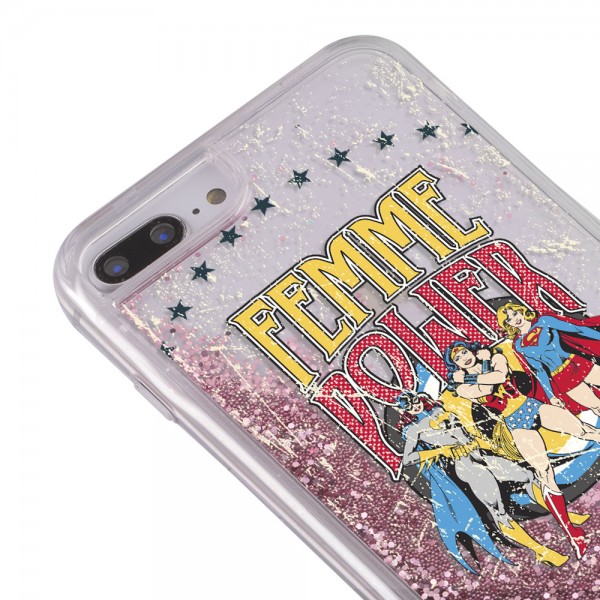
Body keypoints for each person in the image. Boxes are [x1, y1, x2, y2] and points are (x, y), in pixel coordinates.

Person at [444, 340, 599, 559]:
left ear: (472, 350)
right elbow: (486, 389)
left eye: (463, 352)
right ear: (455, 366)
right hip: (514, 422)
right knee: (544, 472)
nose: (463, 358)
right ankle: (572, 533)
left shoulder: (495, 358)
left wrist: (477, 370)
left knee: (585, 431)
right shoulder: (461, 388)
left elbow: (498, 377)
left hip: (530, 405)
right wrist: (475, 374)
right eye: (457, 359)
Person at [396, 390, 570, 570]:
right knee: (498, 511)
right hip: (466, 466)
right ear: (404, 410)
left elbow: (466, 428)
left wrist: (479, 440)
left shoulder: (440, 409)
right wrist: (439, 451)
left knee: (527, 476)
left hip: (481, 454)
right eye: (408, 405)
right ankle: (542, 551)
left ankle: (561, 514)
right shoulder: (414, 430)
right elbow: (407, 459)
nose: (415, 406)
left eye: (414, 400)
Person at [497, 302, 600, 415]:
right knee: (596, 406)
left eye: (515, 314)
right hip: (562, 378)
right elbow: (539, 370)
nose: (515, 319)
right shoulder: (518, 345)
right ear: (507, 324)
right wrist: (550, 396)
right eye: (509, 319)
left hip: (576, 363)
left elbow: (577, 329)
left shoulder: (544, 321)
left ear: (521, 310)